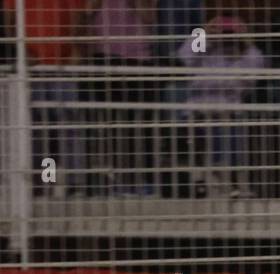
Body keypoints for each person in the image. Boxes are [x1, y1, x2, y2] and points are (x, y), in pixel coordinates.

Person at [5, 0, 90, 198]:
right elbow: (9, 21)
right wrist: (22, 52)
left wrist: (76, 46)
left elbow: (78, 14)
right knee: (42, 133)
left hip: (63, 65)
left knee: (68, 126)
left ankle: (75, 183)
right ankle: (46, 182)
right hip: (33, 67)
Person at [178, 14, 264, 198]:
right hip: (198, 105)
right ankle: (207, 179)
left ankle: (231, 180)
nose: (226, 34)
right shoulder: (203, 42)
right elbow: (186, 59)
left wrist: (245, 43)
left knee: (228, 132)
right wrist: (204, 34)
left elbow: (252, 75)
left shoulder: (246, 51)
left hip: (229, 106)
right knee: (200, 128)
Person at [83, 0, 158, 195]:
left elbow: (150, 19)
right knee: (111, 122)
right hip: (104, 57)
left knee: (140, 122)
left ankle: (144, 179)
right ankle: (115, 178)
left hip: (138, 58)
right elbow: (86, 12)